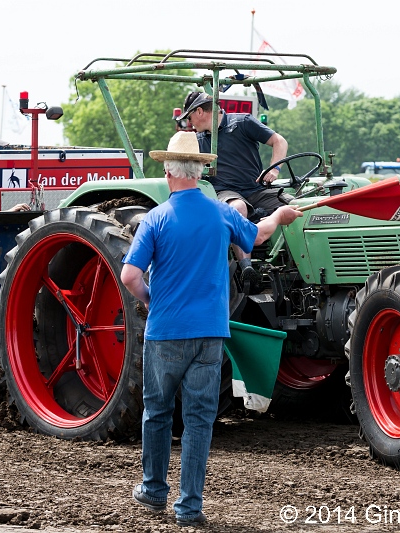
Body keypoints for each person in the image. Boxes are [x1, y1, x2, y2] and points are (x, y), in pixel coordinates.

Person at [121, 131, 302, 528]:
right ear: (201, 171)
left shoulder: (156, 218)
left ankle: (153, 491)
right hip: (210, 334)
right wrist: (281, 216)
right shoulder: (220, 213)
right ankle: (189, 507)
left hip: (166, 331)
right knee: (200, 418)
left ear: (168, 171)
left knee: (157, 412)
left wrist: (153, 301)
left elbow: (130, 275)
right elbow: (258, 235)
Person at [177, 91, 289, 290]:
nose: (190, 123)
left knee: (296, 206)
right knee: (237, 207)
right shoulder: (198, 141)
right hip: (226, 193)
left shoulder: (243, 122)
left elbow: (279, 141)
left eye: (190, 117)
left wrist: (274, 168)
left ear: (200, 111)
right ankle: (247, 268)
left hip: (256, 188)